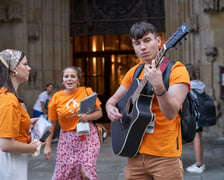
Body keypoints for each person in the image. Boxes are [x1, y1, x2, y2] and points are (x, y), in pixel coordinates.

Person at [105, 21, 190, 180]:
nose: (142, 47)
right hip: (135, 153)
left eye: (147, 40)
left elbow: (171, 112)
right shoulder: (135, 72)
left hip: (165, 157)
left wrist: (158, 86)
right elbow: (113, 100)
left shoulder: (176, 70)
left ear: (159, 42)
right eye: (137, 43)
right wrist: (110, 107)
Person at [44, 66, 103, 180]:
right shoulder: (56, 98)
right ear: (62, 80)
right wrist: (47, 145)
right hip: (67, 139)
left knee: (86, 173)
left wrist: (88, 116)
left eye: (73, 76)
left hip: (87, 136)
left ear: (78, 80)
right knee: (65, 174)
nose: (69, 79)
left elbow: (99, 113)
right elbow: (51, 124)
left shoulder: (87, 91)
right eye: (66, 76)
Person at [0, 49, 42, 180]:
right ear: (13, 70)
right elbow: (6, 145)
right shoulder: (8, 99)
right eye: (25, 64)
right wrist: (33, 147)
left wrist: (28, 123)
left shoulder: (8, 96)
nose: (29, 68)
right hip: (10, 165)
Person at [185, 64, 206, 173]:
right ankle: (200, 163)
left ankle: (199, 165)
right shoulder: (199, 85)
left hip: (194, 116)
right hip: (200, 115)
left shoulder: (189, 87)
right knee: (198, 138)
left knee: (196, 139)